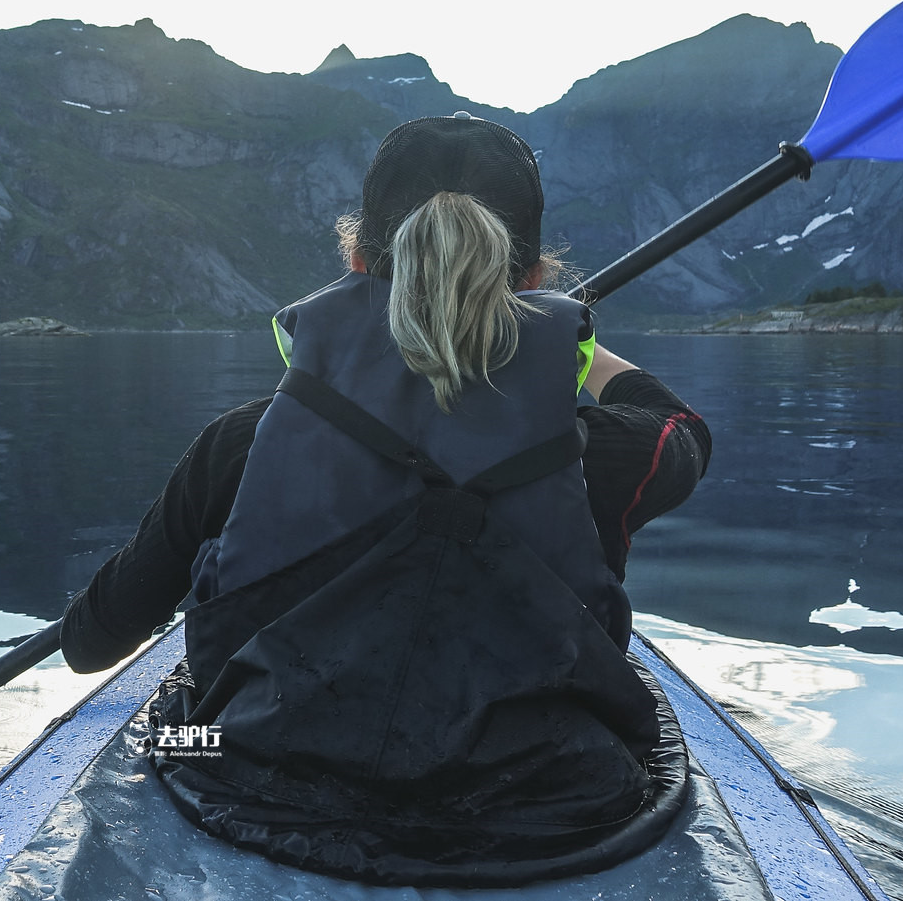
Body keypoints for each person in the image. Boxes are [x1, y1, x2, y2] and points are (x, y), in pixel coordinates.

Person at [59, 113, 712, 887]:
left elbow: (87, 644)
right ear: (533, 280)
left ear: (358, 260)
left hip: (249, 775)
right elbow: (680, 429)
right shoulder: (592, 451)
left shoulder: (243, 443)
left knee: (167, 737)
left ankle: (176, 744)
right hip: (548, 800)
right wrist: (567, 350)